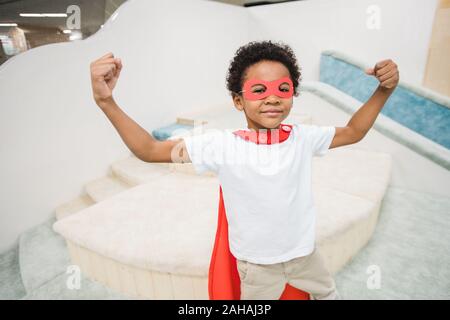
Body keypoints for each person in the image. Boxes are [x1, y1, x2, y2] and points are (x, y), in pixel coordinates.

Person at [89, 40, 399, 300]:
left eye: (283, 88)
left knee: (329, 295)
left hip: (306, 255)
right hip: (257, 267)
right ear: (238, 101)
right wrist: (107, 102)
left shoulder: (305, 137)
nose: (273, 97)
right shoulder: (221, 145)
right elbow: (149, 150)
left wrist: (383, 91)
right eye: (259, 90)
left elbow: (354, 130)